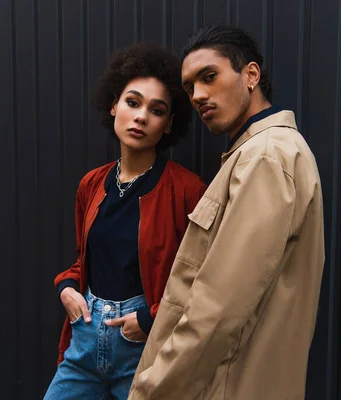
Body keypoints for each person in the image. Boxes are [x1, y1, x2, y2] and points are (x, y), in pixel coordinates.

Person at [128, 25, 325, 400]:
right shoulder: (258, 154)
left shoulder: (266, 158)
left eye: (209, 77)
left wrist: (152, 389)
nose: (198, 95)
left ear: (250, 75)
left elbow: (217, 310)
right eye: (189, 88)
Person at [44, 43, 206, 400]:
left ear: (168, 125)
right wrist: (67, 287)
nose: (141, 116)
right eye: (133, 102)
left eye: (156, 110)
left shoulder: (187, 191)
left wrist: (149, 322)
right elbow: (85, 258)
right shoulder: (91, 184)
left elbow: (203, 279)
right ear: (114, 105)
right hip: (85, 340)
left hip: (143, 350)